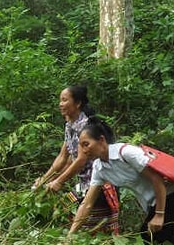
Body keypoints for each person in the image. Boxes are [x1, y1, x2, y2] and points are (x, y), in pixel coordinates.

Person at [69, 116, 174, 245]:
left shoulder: (126, 153)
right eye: (81, 146)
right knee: (155, 243)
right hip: (154, 205)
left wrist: (159, 215)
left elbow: (157, 179)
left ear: (101, 140)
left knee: (152, 243)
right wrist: (70, 236)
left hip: (171, 197)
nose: (84, 150)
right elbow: (87, 204)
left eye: (86, 144)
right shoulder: (99, 168)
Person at [33, 85, 119, 234]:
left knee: (92, 228)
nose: (60, 104)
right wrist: (44, 180)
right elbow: (63, 157)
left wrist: (59, 181)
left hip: (100, 182)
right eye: (60, 100)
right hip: (83, 183)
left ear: (77, 103)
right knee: (64, 210)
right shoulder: (70, 125)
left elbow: (80, 160)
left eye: (65, 100)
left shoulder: (85, 127)